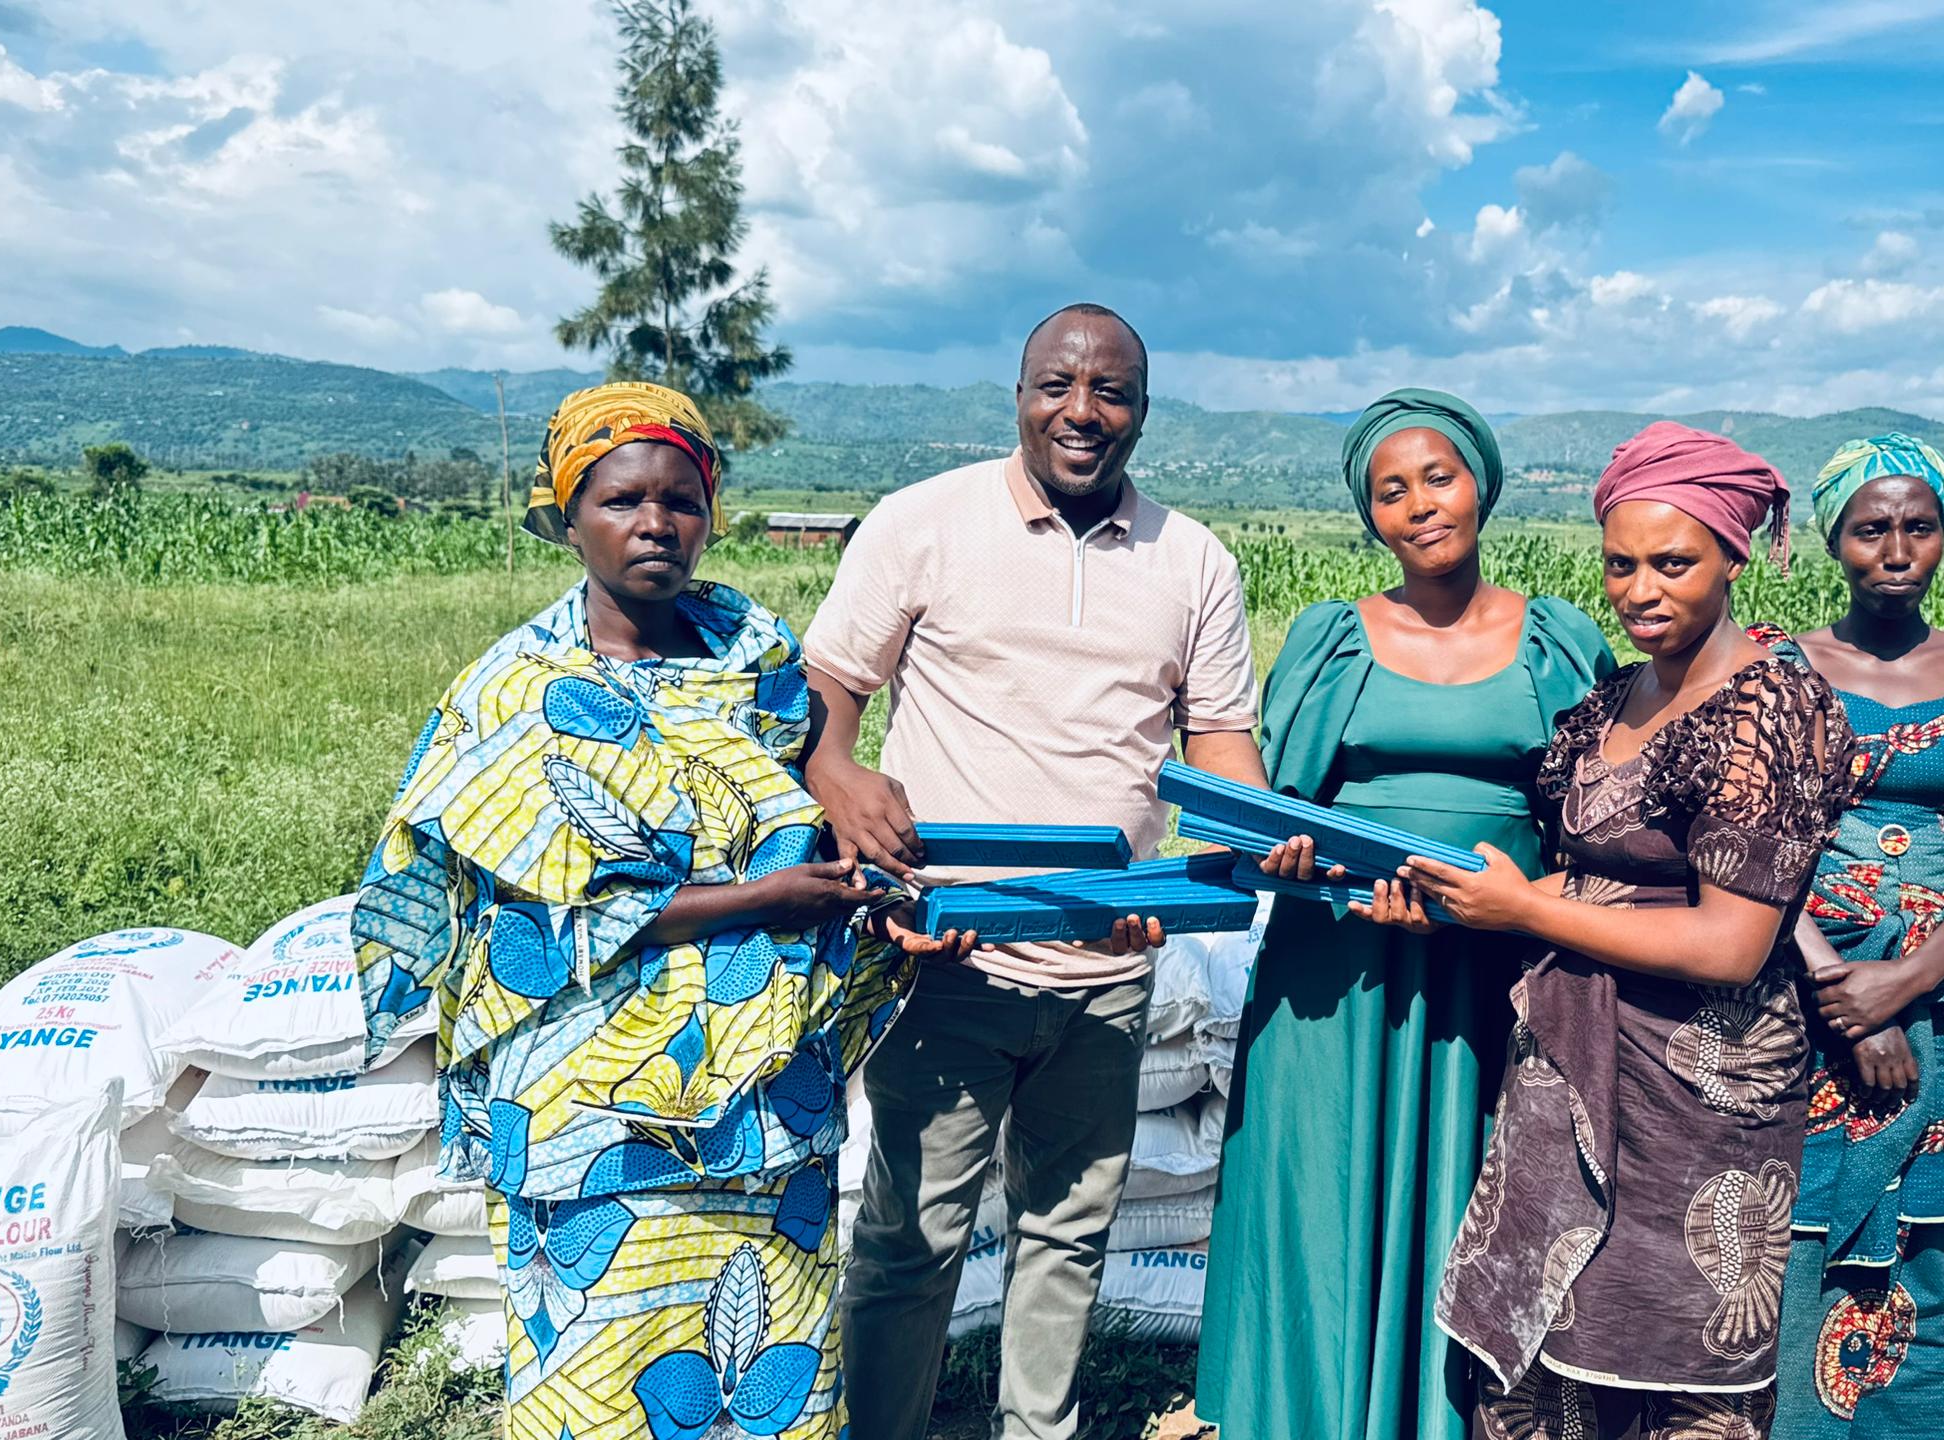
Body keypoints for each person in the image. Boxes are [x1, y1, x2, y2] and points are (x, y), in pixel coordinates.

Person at [352, 382, 930, 1440]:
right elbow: (521, 925)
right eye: (621, 500)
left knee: (770, 1376)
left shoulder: (759, 663)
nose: (655, 523)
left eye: (681, 500)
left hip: (767, 1103)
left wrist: (867, 892)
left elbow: (808, 813)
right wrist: (763, 898)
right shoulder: (520, 692)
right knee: (602, 1381)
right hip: (590, 1106)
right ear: (568, 516)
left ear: (710, 514)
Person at [802, 304, 1270, 1440]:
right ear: (1018, 395)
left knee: (1069, 1234)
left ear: (1142, 413)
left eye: (1110, 392)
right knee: (912, 1237)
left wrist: (1241, 851)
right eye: (1057, 385)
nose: (1081, 411)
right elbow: (827, 700)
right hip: (946, 951)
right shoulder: (924, 523)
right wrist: (838, 781)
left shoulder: (1192, 560)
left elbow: (1220, 746)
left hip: (1110, 961)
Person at [1399, 422, 1852, 1440]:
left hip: (1693, 1097)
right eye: (1620, 564)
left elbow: (1732, 944)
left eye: (1672, 564)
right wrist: (1461, 901)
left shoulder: (1770, 710)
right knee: (1549, 1357)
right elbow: (1595, 874)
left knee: (1673, 1362)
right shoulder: (1618, 695)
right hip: (1569, 1067)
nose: (1640, 590)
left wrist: (1527, 911)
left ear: (1733, 558)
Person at [1195, 389, 1619, 1440]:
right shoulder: (1331, 641)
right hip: (1340, 967)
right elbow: (1278, 804)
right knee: (1327, 1189)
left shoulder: (1558, 642)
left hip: (1497, 965)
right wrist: (1295, 854)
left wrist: (1517, 902)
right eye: (1391, 491)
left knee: (1483, 1187)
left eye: (1438, 477)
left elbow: (1598, 819)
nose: (1420, 505)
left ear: (1481, 485)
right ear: (1370, 516)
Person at [1771, 434, 1944, 1439]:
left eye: (1918, 527)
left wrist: (1905, 983)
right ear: (1832, 542)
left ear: (1943, 536)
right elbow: (1749, 842)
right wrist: (1844, 991)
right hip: (1802, 987)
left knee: (1922, 1245)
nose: (1896, 551)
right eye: (1870, 529)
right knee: (1795, 1231)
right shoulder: (1778, 668)